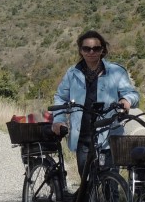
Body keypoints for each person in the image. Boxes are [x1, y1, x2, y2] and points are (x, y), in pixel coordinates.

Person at [51, 30, 139, 180]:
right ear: (80, 50)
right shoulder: (72, 74)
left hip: (109, 137)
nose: (91, 52)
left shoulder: (116, 72)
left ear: (102, 50)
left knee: (110, 185)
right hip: (83, 137)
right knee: (86, 185)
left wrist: (126, 101)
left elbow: (133, 94)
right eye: (86, 48)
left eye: (96, 48)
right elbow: (60, 97)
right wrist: (58, 120)